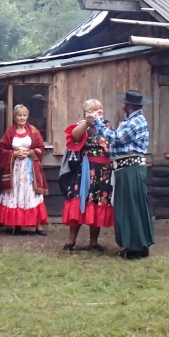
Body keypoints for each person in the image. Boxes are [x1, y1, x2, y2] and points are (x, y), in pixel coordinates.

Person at [87, 90, 154, 260]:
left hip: (130, 168)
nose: (122, 105)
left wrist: (98, 123)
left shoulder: (135, 122)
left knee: (130, 207)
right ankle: (139, 243)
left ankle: (134, 247)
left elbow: (116, 138)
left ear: (129, 105)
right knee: (134, 206)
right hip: (127, 168)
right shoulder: (133, 120)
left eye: (124, 103)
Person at [61, 99, 114, 251]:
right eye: (95, 109)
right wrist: (88, 122)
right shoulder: (83, 125)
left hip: (103, 171)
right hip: (86, 169)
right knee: (79, 201)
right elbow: (74, 136)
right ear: (87, 112)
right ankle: (71, 241)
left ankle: (93, 242)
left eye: (101, 108)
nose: (99, 111)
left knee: (98, 202)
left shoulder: (108, 126)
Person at [0, 105, 49, 235]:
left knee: (32, 194)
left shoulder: (34, 131)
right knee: (17, 193)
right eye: (19, 115)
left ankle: (38, 226)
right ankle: (17, 224)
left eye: (24, 115)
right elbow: (2, 149)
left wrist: (30, 153)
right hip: (15, 170)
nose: (22, 118)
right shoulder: (10, 132)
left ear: (27, 116)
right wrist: (13, 154)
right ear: (15, 117)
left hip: (30, 169)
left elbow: (41, 147)